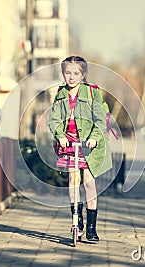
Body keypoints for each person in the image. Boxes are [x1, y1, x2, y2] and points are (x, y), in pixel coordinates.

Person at [48, 56, 112, 241]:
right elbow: (54, 120)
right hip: (69, 143)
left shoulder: (92, 93)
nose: (71, 77)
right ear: (63, 74)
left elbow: (100, 119)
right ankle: (77, 222)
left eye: (76, 73)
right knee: (73, 181)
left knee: (89, 182)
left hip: (88, 145)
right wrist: (60, 134)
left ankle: (92, 228)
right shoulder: (61, 94)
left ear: (83, 74)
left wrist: (93, 137)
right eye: (68, 73)